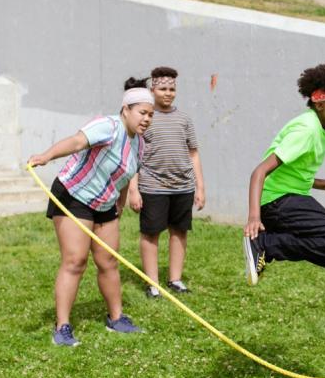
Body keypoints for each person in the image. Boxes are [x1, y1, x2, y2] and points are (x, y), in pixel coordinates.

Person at [27, 77, 154, 346]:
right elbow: (75, 142)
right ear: (126, 109)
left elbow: (124, 174)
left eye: (150, 115)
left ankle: (116, 318)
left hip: (104, 204)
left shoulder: (139, 145)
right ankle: (62, 327)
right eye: (142, 113)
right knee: (75, 261)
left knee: (109, 261)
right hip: (74, 195)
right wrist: (46, 156)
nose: (146, 119)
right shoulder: (107, 126)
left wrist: (119, 202)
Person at [242, 61, 325, 286]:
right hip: (276, 202)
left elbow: (292, 168)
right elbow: (259, 172)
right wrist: (254, 218)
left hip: (290, 197)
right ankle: (265, 244)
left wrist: (316, 183)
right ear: (320, 105)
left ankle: (272, 245)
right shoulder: (306, 130)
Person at [128, 66, 205, 298]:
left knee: (179, 231)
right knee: (150, 233)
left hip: (183, 186)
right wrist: (134, 189)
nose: (168, 93)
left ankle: (175, 279)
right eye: (163, 88)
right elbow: (134, 154)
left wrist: (200, 186)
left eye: (172, 89)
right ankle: (153, 283)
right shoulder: (145, 118)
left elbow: (193, 153)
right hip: (153, 186)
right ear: (152, 89)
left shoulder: (184, 120)